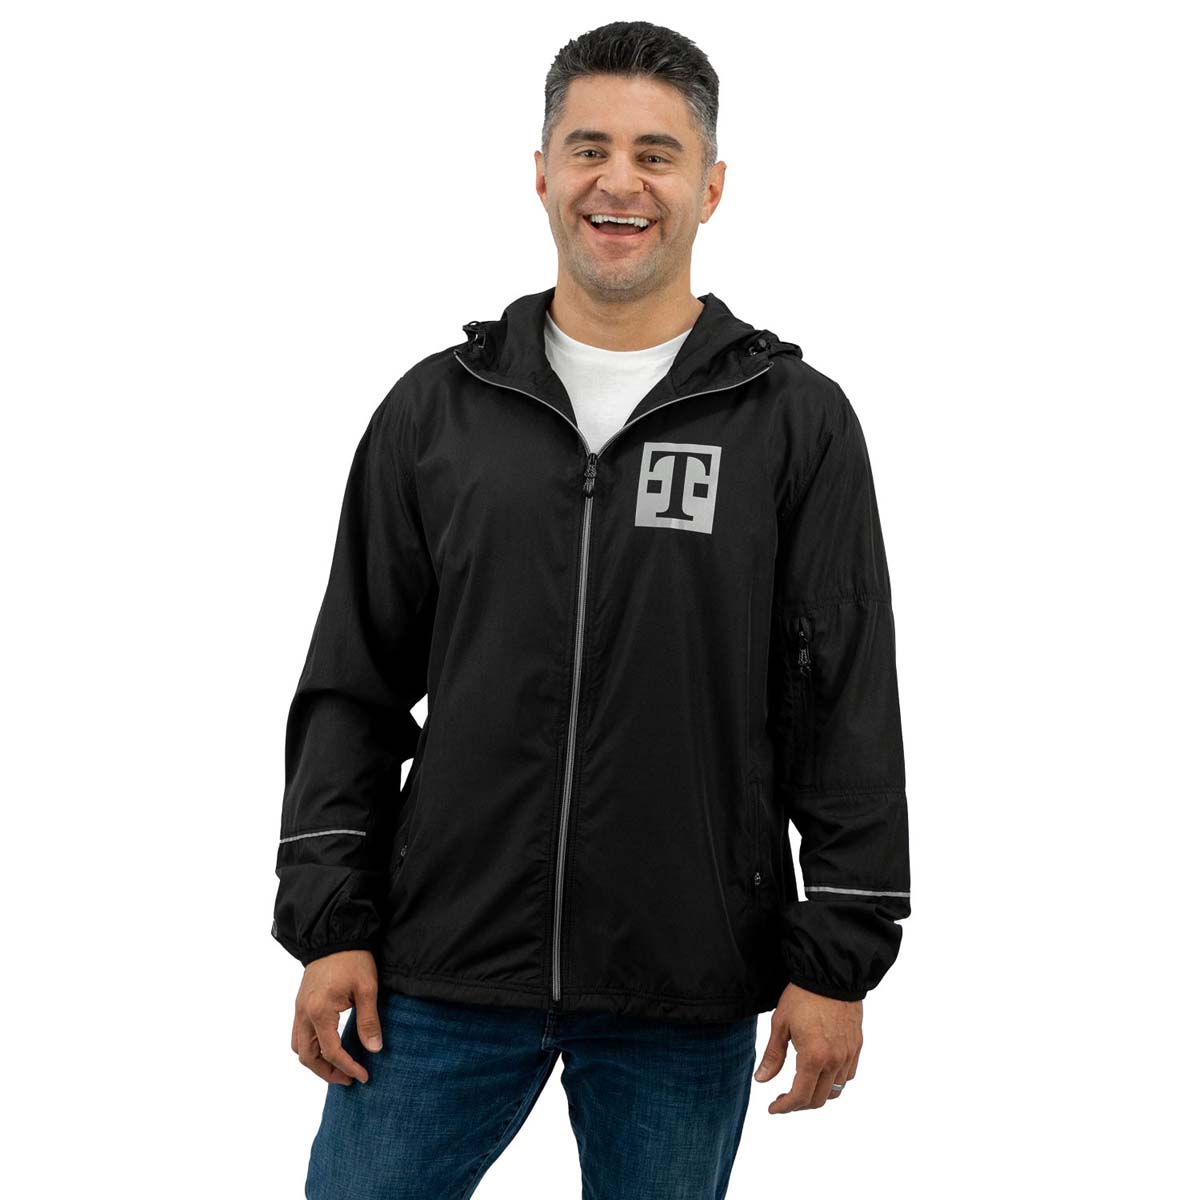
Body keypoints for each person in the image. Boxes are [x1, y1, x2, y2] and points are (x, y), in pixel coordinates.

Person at [272, 19, 911, 1200]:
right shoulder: (438, 410)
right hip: (437, 967)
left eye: (657, 154)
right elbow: (352, 685)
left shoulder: (792, 421)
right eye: (590, 148)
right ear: (542, 173)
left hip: (685, 977)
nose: (620, 181)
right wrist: (329, 919)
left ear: (710, 186)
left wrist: (841, 952)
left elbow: (844, 703)